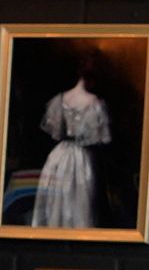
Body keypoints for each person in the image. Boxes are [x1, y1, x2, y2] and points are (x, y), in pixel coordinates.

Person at [31, 70, 108, 228]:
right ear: (90, 79)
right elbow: (99, 138)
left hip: (59, 154)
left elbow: (56, 132)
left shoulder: (61, 99)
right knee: (77, 196)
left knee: (63, 197)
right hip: (80, 156)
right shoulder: (93, 102)